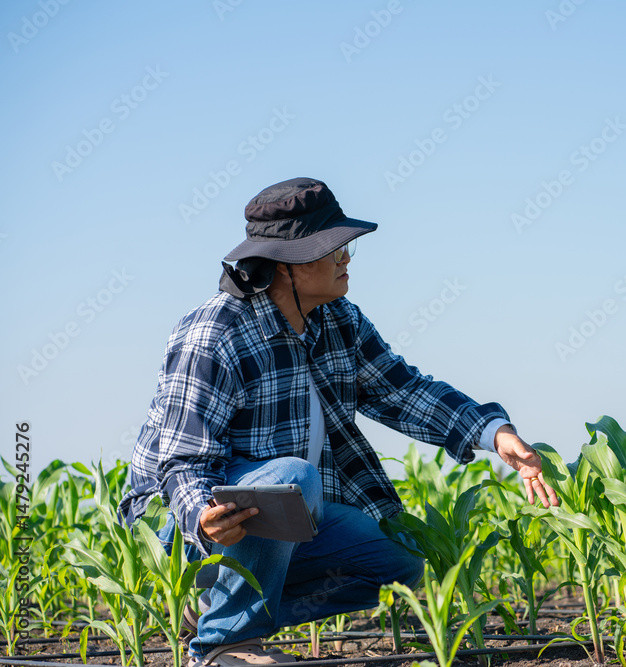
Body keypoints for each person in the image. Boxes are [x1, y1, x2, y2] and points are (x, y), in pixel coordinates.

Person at [117, 177, 559, 667]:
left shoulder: (338, 319)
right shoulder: (215, 334)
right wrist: (203, 517)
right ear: (286, 264)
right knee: (291, 479)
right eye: (333, 249)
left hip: (276, 526)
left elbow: (401, 389)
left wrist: (492, 433)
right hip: (182, 528)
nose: (347, 258)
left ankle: (208, 609)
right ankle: (226, 644)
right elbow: (183, 460)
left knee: (397, 560)